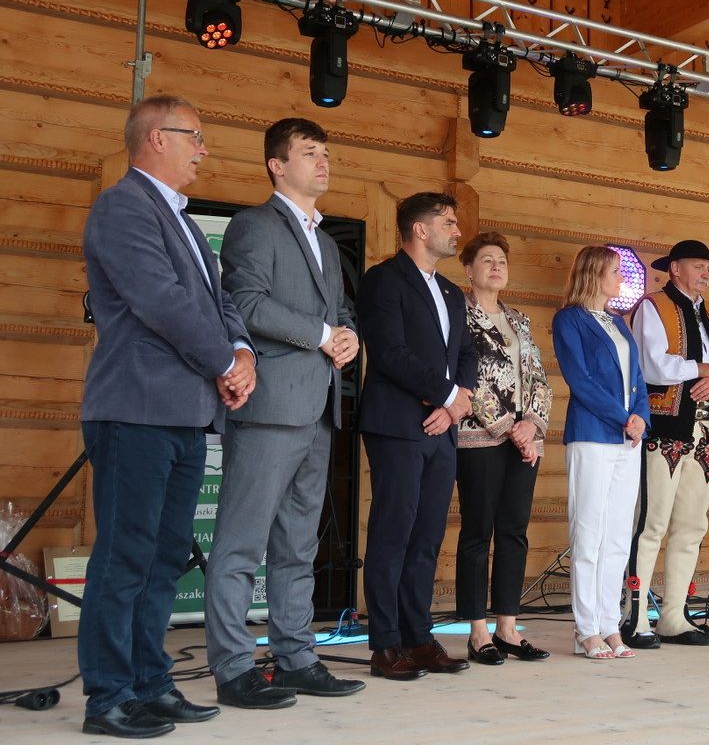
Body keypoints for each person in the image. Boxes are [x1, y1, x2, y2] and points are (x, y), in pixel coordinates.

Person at [78, 95, 255, 738]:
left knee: (164, 558)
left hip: (183, 412)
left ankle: (151, 684)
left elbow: (219, 301)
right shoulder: (123, 206)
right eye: (194, 136)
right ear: (156, 138)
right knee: (125, 556)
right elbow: (160, 301)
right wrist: (224, 362)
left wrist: (242, 351)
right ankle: (108, 696)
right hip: (136, 408)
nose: (204, 150)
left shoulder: (182, 218)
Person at [205, 118, 364, 709]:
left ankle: (295, 658)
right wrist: (322, 334)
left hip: (319, 409)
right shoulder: (254, 224)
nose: (323, 161)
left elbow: (338, 313)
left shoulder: (326, 242)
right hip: (270, 407)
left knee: (298, 546)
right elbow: (245, 302)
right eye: (309, 152)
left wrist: (347, 336)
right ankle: (232, 668)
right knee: (241, 545)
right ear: (277, 164)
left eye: (326, 152)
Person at [358, 192, 478, 680]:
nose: (457, 231)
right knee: (393, 533)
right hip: (396, 424)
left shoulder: (450, 291)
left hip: (441, 429)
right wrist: (447, 395)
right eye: (448, 222)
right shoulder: (383, 279)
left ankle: (418, 637)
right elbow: (390, 353)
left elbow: (467, 353)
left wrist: (454, 405)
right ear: (420, 229)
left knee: (427, 537)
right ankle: (385, 644)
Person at [623, 240, 709, 649]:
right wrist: (706, 369)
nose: (706, 273)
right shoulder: (652, 307)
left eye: (708, 267)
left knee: (692, 525)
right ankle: (635, 615)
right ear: (674, 269)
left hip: (707, 431)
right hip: (666, 428)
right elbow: (653, 364)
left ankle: (674, 616)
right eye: (698, 266)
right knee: (652, 523)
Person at [455, 232, 553, 665]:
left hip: (524, 442)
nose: (496, 267)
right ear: (468, 269)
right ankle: (478, 633)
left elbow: (539, 379)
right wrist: (508, 428)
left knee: (514, 532)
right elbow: (467, 378)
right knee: (478, 531)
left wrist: (532, 426)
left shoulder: (520, 320)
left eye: (502, 261)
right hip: (480, 438)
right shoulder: (459, 316)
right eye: (487, 260)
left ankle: (508, 628)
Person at [552, 246, 650, 659]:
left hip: (627, 440)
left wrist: (641, 417)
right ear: (593, 274)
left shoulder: (618, 322)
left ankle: (610, 625)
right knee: (589, 532)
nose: (621, 279)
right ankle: (586, 628)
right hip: (592, 435)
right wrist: (623, 417)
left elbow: (637, 378)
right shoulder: (569, 319)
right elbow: (580, 380)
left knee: (617, 536)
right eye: (614, 272)